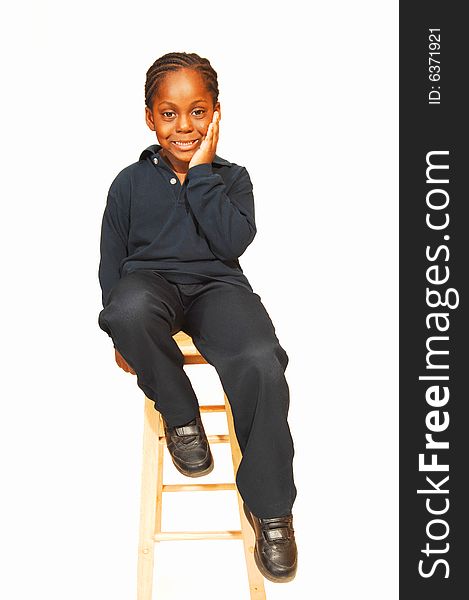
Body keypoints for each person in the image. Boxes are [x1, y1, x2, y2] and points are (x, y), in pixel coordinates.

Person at [97, 51, 298, 583]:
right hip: (151, 284)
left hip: (217, 286)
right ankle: (182, 417)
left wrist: (203, 172)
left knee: (260, 359)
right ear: (149, 117)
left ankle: (272, 510)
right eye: (169, 113)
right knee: (128, 305)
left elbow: (233, 240)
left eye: (197, 112)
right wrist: (120, 329)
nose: (184, 125)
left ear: (215, 115)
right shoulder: (128, 183)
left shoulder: (232, 179)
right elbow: (111, 261)